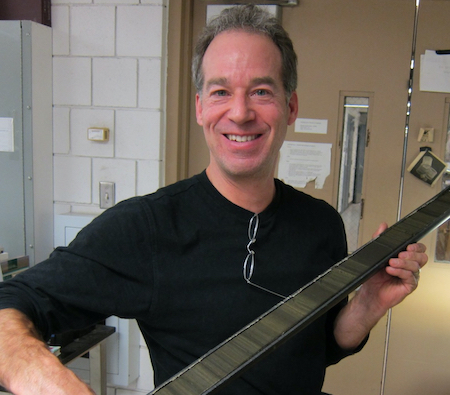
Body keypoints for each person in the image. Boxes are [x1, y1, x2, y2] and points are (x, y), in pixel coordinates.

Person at [0, 5, 427, 395]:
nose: (240, 113)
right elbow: (11, 303)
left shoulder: (322, 224)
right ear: (201, 107)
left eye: (261, 91)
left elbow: (319, 349)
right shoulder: (146, 228)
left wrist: (368, 305)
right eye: (221, 92)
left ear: (290, 106)